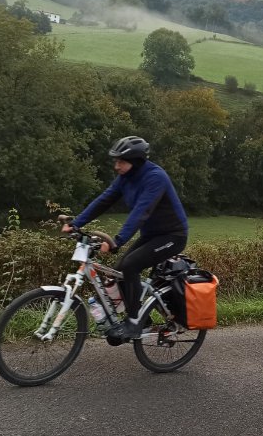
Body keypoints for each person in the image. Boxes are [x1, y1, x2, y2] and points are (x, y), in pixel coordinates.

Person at [63, 135, 188, 340]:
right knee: (120, 270)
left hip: (172, 236)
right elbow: (103, 201)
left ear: (136, 162)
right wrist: (76, 223)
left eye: (121, 161)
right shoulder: (125, 178)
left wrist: (117, 240)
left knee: (131, 265)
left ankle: (133, 322)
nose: (116, 166)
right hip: (151, 235)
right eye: (116, 161)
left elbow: (142, 211)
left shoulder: (156, 177)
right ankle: (142, 318)